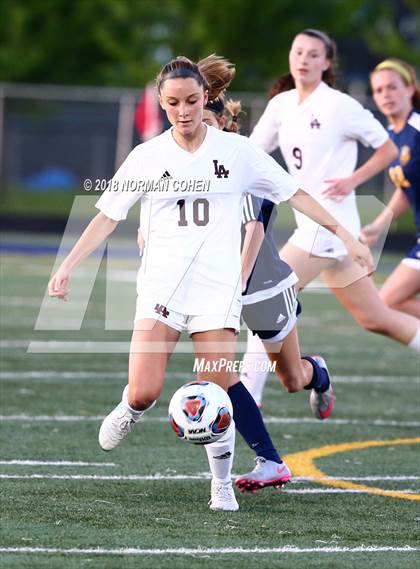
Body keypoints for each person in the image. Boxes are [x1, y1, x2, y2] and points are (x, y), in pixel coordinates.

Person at [48, 54, 372, 511]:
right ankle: (130, 409)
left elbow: (294, 193)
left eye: (193, 101)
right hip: (162, 287)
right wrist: (68, 266)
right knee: (144, 391)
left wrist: (344, 234)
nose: (184, 111)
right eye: (174, 103)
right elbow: (106, 216)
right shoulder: (148, 155)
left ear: (207, 99)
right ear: (162, 104)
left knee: (215, 389)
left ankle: (220, 485)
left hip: (216, 292)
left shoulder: (236, 152)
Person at [240, 29, 420, 405]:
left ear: (326, 63)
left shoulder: (339, 105)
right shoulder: (281, 105)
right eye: (298, 51)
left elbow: (386, 149)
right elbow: (251, 156)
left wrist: (353, 179)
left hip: (330, 230)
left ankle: (248, 402)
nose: (303, 59)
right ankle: (315, 375)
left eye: (313, 54)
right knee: (377, 317)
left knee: (265, 299)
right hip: (318, 229)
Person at [201, 97, 336, 492]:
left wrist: (237, 284)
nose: (198, 129)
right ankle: (270, 461)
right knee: (221, 375)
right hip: (218, 290)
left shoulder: (245, 163)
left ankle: (319, 372)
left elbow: (253, 232)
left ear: (226, 124)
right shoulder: (191, 164)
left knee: (293, 379)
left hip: (261, 289)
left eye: (208, 120)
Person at [362, 58, 420, 318]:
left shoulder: (417, 128)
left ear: (409, 89)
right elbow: (408, 188)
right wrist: (379, 225)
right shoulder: (391, 136)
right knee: (389, 300)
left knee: (389, 299)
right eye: (379, 90)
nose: (386, 94)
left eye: (392, 87)